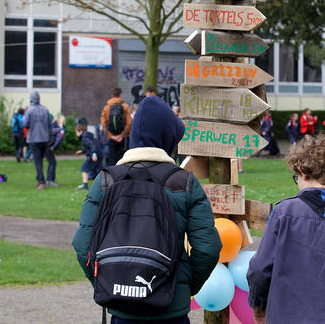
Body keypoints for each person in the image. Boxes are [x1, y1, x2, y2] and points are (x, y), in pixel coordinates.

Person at [72, 96, 221, 323]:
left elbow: (83, 245)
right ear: (168, 138)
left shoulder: (105, 181)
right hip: (171, 307)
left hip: (121, 306)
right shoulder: (185, 183)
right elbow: (207, 249)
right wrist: (182, 284)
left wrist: (107, 280)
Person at [247, 134, 325, 324]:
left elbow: (259, 269)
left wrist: (258, 306)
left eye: (295, 177)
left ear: (302, 170)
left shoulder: (283, 212)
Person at [23, 90, 52, 190]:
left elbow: (25, 124)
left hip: (34, 139)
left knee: (38, 162)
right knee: (42, 161)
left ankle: (41, 182)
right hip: (44, 138)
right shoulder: (45, 109)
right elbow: (49, 124)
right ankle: (40, 179)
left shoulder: (29, 110)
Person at [100, 88, 132, 167]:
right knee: (124, 160)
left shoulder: (106, 108)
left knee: (112, 160)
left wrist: (112, 136)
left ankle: (112, 178)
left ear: (112, 95)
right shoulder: (125, 106)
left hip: (112, 138)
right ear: (120, 95)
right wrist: (121, 135)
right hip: (124, 138)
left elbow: (103, 124)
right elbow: (129, 123)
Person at [74, 119, 101, 190]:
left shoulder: (84, 137)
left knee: (84, 168)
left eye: (76, 132)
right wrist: (82, 151)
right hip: (99, 154)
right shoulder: (86, 136)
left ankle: (85, 185)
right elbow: (88, 146)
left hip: (94, 155)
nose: (76, 134)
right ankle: (103, 185)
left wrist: (94, 154)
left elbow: (92, 145)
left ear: (80, 131)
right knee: (99, 170)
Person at [46, 114, 66, 187]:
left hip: (45, 146)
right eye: (64, 121)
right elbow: (58, 139)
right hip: (49, 147)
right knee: (52, 163)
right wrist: (53, 147)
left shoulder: (51, 127)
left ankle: (48, 180)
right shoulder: (60, 129)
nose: (65, 122)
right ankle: (50, 180)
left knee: (51, 162)